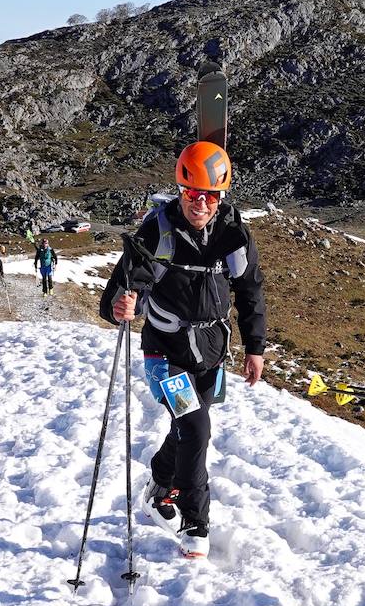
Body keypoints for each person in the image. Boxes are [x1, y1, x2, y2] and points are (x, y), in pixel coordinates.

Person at [99, 141, 266, 559]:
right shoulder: (157, 230)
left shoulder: (233, 232)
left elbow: (249, 291)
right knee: (196, 428)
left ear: (221, 197)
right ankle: (196, 521)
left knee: (189, 428)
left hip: (211, 351)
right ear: (180, 190)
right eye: (192, 194)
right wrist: (122, 304)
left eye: (210, 196)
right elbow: (119, 292)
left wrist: (255, 347)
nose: (201, 204)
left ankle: (159, 486)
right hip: (165, 352)